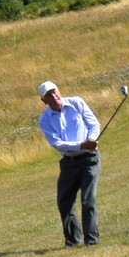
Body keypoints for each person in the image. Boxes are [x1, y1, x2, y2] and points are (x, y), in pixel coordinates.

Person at [37, 80, 102, 247]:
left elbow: (93, 124)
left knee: (88, 200)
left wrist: (92, 140)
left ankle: (91, 241)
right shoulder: (45, 120)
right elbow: (57, 143)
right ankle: (73, 240)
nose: (54, 96)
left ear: (59, 91)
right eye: (49, 95)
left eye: (54, 91)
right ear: (44, 100)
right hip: (69, 163)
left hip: (90, 159)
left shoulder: (77, 102)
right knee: (64, 201)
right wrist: (81, 144)